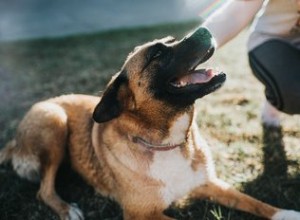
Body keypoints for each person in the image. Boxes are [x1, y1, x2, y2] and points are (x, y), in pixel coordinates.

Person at [202, 0, 300, 127]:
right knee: (295, 92)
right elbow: (239, 8)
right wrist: (196, 47)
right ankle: (277, 89)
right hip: (270, 40)